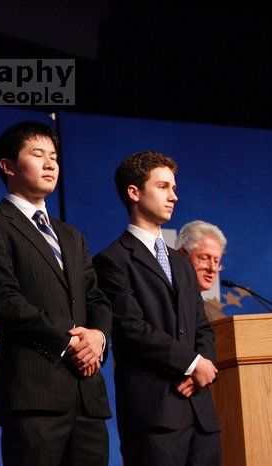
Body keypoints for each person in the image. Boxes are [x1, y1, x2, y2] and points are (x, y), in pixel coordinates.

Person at [0, 121, 112, 466]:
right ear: (8, 165)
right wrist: (71, 339)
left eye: (54, 157)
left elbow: (97, 299)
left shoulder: (72, 236)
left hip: (87, 395)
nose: (50, 164)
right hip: (34, 394)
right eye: (38, 155)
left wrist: (99, 337)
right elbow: (3, 300)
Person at [93, 152, 220, 465]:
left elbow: (201, 326)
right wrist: (191, 363)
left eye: (174, 188)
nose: (173, 196)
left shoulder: (180, 262)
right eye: (163, 187)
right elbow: (130, 329)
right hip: (155, 415)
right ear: (134, 192)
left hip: (200, 413)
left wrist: (203, 367)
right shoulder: (112, 261)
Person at [177, 220, 228, 321]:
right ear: (181, 255)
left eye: (216, 261)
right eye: (204, 258)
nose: (212, 268)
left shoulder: (219, 318)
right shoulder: (163, 301)